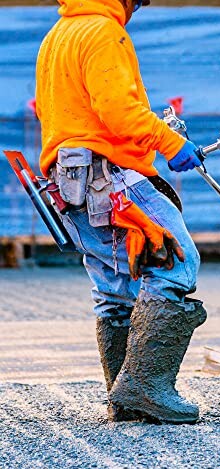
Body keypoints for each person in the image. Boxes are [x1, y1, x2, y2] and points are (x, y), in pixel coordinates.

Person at [35, 0, 207, 424]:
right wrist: (170, 143)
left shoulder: (57, 36)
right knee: (176, 264)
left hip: (70, 181)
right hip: (109, 176)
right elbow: (118, 112)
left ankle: (124, 395)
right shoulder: (102, 32)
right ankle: (144, 386)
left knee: (115, 285)